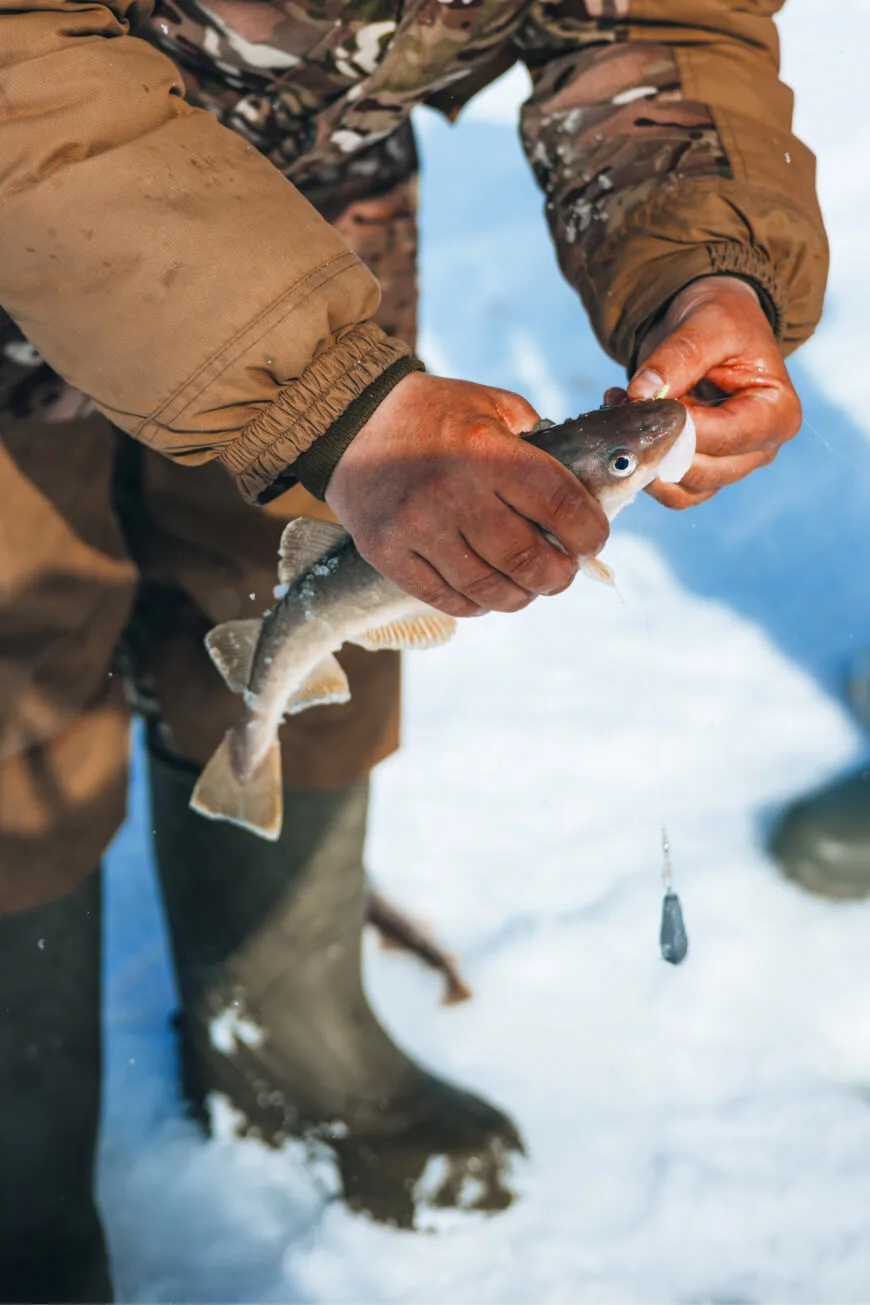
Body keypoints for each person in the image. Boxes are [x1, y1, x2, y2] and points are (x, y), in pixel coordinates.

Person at [0, 0, 826, 1298]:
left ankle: (282, 1028)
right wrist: (324, 394)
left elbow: (662, 13)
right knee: (9, 689)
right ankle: (20, 1181)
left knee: (336, 598)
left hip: (317, 201)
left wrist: (702, 262)